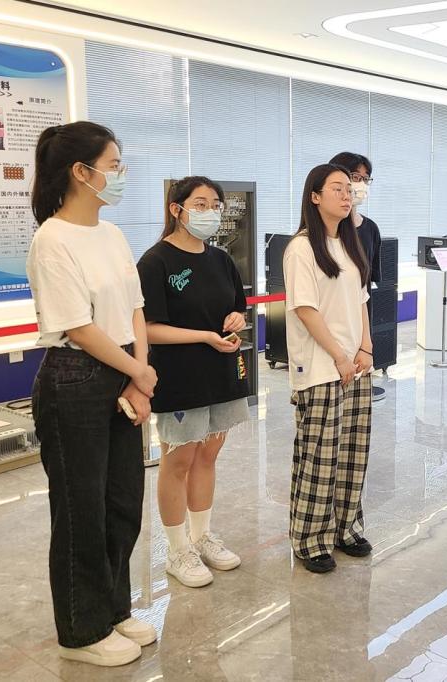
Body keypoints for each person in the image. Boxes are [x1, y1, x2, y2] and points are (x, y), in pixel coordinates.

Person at [27, 121, 157, 667]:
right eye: (113, 165)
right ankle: (81, 631)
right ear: (81, 172)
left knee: (123, 501)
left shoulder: (112, 234)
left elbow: (135, 308)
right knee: (81, 509)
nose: (120, 174)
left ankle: (114, 608)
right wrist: (137, 372)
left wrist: (139, 373)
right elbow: (78, 328)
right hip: (75, 379)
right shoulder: (52, 239)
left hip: (123, 367)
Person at [136, 176, 251, 588]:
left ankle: (202, 536)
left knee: (208, 455)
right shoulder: (156, 262)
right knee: (179, 460)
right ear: (177, 209)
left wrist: (235, 320)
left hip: (221, 372)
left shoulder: (221, 259)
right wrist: (203, 336)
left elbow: (237, 309)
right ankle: (177, 548)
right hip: (180, 376)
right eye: (200, 204)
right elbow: (149, 328)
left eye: (216, 205)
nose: (210, 212)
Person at [284, 163, 374, 573]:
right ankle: (310, 538)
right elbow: (305, 309)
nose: (347, 194)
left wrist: (365, 348)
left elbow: (362, 300)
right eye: (337, 188)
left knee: (353, 452)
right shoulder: (301, 248)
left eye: (349, 188)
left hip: (354, 365)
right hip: (321, 367)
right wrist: (338, 355)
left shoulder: (350, 244)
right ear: (315, 196)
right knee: (320, 457)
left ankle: (345, 528)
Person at [328, 151, 385, 402]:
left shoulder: (370, 229)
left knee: (357, 408)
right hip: (328, 331)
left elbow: (365, 287)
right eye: (354, 176)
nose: (360, 184)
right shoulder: (320, 234)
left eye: (365, 178)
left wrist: (366, 344)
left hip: (359, 327)